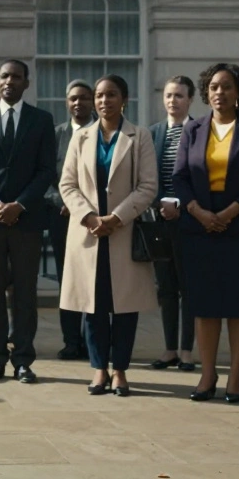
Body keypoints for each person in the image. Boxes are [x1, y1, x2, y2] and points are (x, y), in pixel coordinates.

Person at [172, 64, 239, 403]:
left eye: (227, 87)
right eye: (214, 86)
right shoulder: (193, 130)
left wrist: (229, 213)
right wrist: (199, 213)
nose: (219, 92)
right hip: (200, 228)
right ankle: (207, 374)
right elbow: (180, 178)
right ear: (206, 92)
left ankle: (236, 376)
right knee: (205, 305)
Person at [58, 75, 158, 397]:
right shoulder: (81, 137)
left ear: (124, 99)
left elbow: (147, 187)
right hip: (88, 235)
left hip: (122, 232)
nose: (104, 101)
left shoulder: (139, 136)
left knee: (125, 307)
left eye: (111, 95)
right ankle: (99, 369)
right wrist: (89, 218)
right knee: (94, 306)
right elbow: (67, 184)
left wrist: (115, 217)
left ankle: (121, 371)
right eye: (99, 96)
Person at [0, 60, 56, 384]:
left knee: (25, 294)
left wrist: (20, 204)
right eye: (4, 76)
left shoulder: (41, 121)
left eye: (16, 76)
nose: (9, 81)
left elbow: (46, 170)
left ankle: (23, 360)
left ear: (26, 83)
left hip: (26, 221)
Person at [149, 75, 197, 372]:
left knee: (188, 287)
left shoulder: (199, 130)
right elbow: (146, 176)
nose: (172, 101)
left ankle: (187, 350)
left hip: (189, 218)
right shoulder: (153, 133)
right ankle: (169, 349)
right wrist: (159, 204)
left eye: (179, 95)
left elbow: (200, 177)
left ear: (190, 99)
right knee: (165, 287)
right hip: (159, 219)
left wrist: (179, 204)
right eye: (168, 95)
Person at [47, 79, 94, 361]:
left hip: (95, 219)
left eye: (84, 98)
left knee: (92, 281)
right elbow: (44, 176)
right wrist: (62, 202)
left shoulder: (104, 133)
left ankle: (92, 342)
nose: (79, 103)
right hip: (62, 218)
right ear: (67, 102)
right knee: (68, 280)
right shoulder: (56, 135)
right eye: (74, 98)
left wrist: (85, 207)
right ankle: (71, 342)